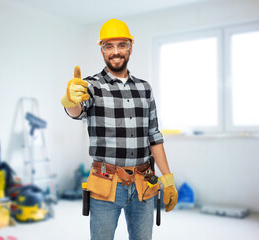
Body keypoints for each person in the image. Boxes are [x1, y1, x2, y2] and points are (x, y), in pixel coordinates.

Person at [61, 18, 178, 240]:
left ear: (130, 47)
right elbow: (77, 111)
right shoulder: (90, 86)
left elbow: (154, 136)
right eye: (109, 46)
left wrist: (168, 179)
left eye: (121, 45)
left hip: (143, 183)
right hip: (106, 183)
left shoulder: (144, 88)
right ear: (102, 50)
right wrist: (69, 99)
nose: (116, 51)